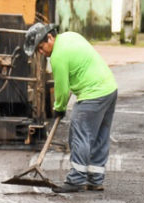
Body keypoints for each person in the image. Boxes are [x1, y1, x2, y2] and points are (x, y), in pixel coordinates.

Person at [23, 23, 118, 193]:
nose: (41, 52)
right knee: (99, 136)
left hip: (93, 94)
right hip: (109, 89)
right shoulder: (70, 36)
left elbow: (61, 89)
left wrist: (58, 108)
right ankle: (95, 179)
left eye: (41, 47)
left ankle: (76, 179)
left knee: (80, 134)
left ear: (50, 38)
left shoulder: (58, 56)